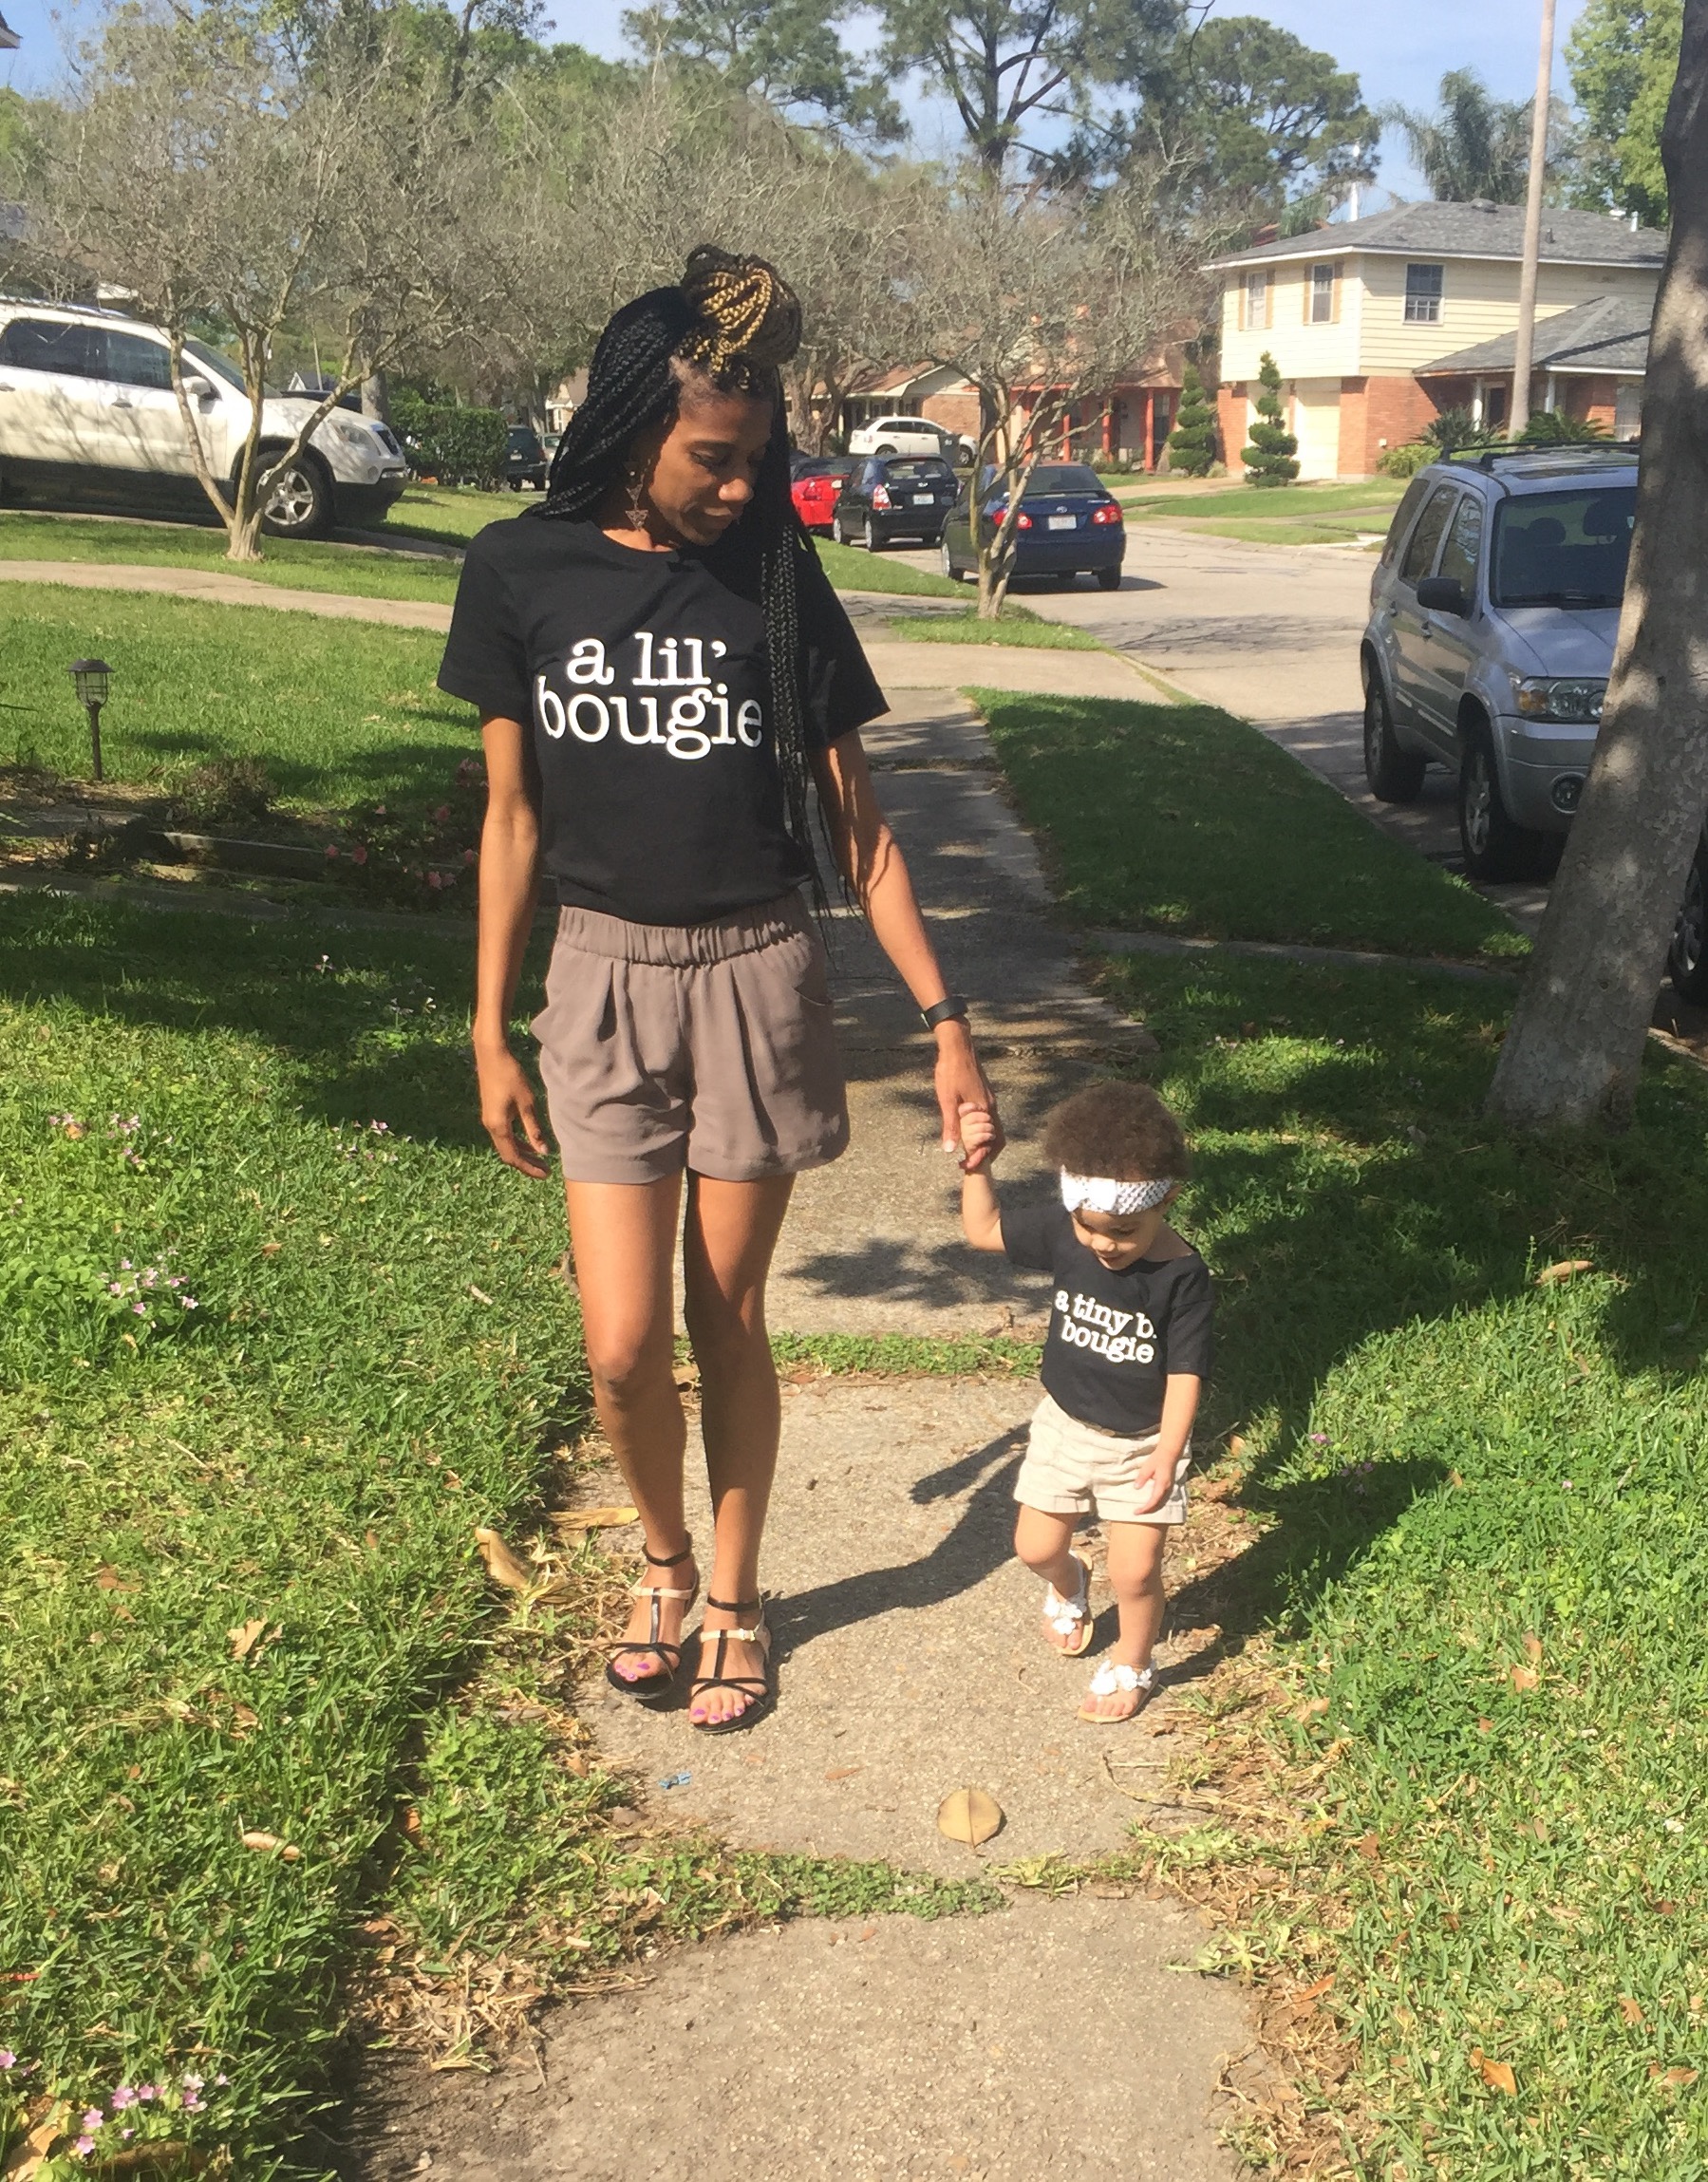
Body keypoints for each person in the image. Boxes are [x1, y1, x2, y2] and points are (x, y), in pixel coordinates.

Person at [438, 247, 1001, 1734]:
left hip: (755, 970)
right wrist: (488, 1023)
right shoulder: (517, 570)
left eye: (758, 459)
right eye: (712, 458)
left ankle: (738, 1594)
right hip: (599, 975)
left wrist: (947, 1026)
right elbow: (508, 817)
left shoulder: (773, 576)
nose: (742, 487)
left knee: (724, 1313)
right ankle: (663, 1556)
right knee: (619, 1341)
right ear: (632, 426)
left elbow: (861, 829)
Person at [957, 1082, 1213, 1722]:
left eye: (1123, 1231)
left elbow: (1186, 1372)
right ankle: (1069, 1582)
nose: (1103, 1243)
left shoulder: (1181, 1275)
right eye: (1088, 1226)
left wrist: (1170, 1451)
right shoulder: (1066, 1233)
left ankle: (1133, 1659)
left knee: (1134, 1572)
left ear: (1169, 1198)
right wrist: (976, 1165)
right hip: (1064, 1428)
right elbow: (983, 1228)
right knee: (1034, 1548)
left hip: (1141, 1445)